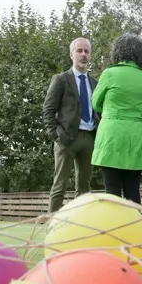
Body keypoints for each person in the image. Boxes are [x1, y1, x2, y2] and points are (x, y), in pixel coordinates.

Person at [91, 33, 142, 204]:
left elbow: (95, 103)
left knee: (112, 191)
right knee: (133, 190)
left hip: (112, 136)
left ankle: (113, 222)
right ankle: (136, 221)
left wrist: (109, 109)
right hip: (136, 137)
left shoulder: (109, 73)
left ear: (117, 51)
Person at [43, 37, 98, 213]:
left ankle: (80, 225)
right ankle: (52, 224)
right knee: (60, 185)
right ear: (71, 55)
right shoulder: (61, 79)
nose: (83, 54)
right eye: (79, 51)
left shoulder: (95, 83)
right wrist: (56, 135)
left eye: (87, 51)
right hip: (66, 139)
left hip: (89, 138)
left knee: (84, 187)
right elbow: (48, 110)